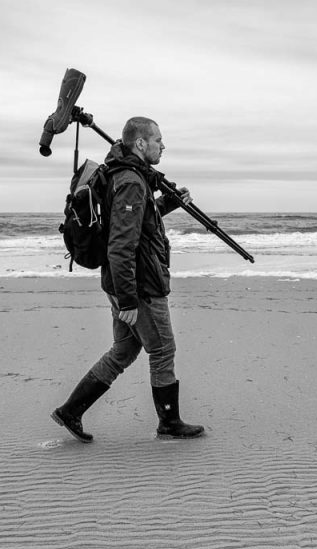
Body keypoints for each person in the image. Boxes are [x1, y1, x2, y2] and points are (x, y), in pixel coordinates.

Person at [52, 117, 205, 442]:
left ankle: (71, 411)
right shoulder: (132, 181)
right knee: (163, 349)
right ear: (140, 144)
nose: (163, 146)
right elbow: (122, 244)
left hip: (121, 281)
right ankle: (169, 422)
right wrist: (128, 300)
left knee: (123, 349)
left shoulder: (122, 175)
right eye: (158, 140)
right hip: (139, 284)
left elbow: (135, 223)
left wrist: (167, 203)